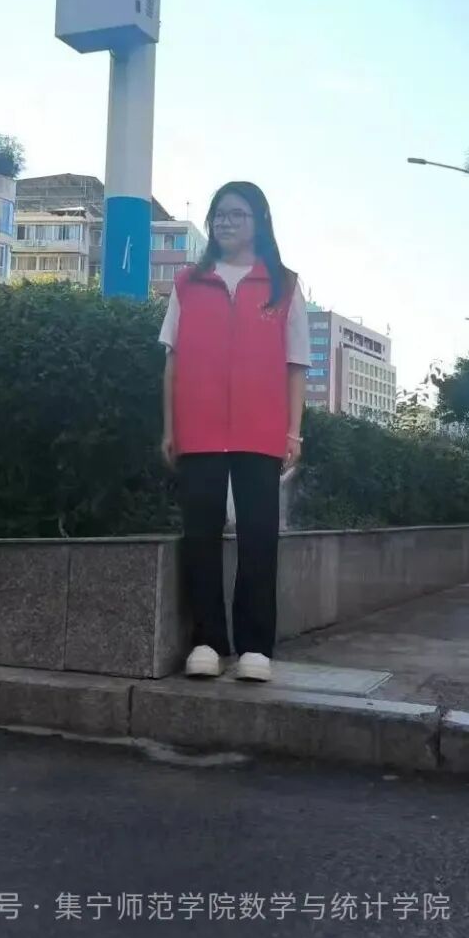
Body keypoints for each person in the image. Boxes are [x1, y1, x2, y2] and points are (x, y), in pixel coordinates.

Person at [160, 181, 309, 683]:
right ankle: (207, 642)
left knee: (259, 538)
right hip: (198, 428)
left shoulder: (283, 285)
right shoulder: (188, 282)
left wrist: (293, 432)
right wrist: (170, 429)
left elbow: (295, 365)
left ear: (259, 221)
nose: (225, 222)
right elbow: (172, 361)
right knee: (200, 536)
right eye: (219, 214)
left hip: (260, 429)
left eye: (236, 214)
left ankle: (255, 648)